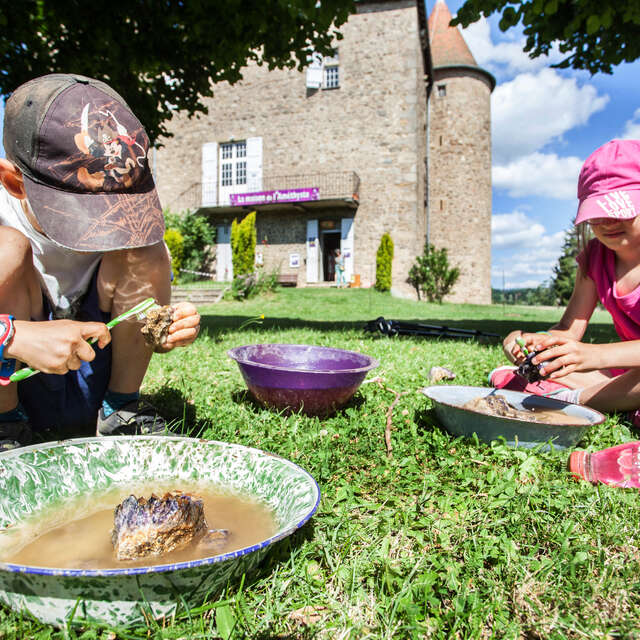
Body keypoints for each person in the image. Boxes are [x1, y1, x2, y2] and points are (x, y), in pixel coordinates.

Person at [0, 73, 200, 452]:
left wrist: (163, 327)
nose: (102, 227)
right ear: (14, 182)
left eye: (115, 209)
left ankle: (121, 411)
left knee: (146, 247)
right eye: (80, 213)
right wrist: (13, 338)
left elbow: (145, 292)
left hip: (96, 379)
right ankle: (5, 427)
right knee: (7, 248)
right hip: (15, 384)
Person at [490, 138, 640, 424]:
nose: (607, 221)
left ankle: (575, 401)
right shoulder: (595, 256)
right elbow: (568, 332)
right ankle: (610, 398)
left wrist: (593, 356)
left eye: (619, 209)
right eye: (597, 214)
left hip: (621, 369)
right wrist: (533, 344)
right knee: (554, 365)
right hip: (625, 374)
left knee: (575, 371)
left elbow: (589, 355)